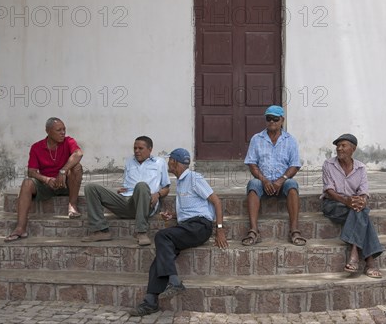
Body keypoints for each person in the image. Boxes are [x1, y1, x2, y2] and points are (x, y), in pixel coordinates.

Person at [129, 148, 228, 317]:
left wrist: (219, 230)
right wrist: (173, 215)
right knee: (160, 258)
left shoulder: (194, 178)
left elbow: (216, 202)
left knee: (161, 235)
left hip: (200, 226)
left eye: (169, 161)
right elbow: (191, 209)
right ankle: (150, 301)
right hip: (188, 226)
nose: (168, 163)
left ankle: (174, 281)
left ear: (174, 162)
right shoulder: (181, 182)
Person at [4, 117, 84, 242]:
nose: (63, 132)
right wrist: (46, 179)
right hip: (47, 185)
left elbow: (78, 154)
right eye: (59, 130)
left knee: (77, 168)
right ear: (48, 131)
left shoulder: (68, 141)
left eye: (64, 129)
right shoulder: (37, 147)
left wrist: (63, 171)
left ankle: (72, 205)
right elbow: (31, 171)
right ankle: (20, 228)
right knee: (26, 183)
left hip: (66, 184)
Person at [81, 136, 170, 246]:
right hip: (126, 201)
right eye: (135, 148)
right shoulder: (129, 162)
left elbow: (166, 187)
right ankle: (100, 231)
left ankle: (141, 232)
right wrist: (120, 190)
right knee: (90, 187)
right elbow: (127, 184)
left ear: (150, 149)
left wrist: (158, 194)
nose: (137, 151)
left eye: (140, 148)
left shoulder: (159, 162)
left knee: (141, 186)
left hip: (146, 202)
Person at [321, 134, 384, 278]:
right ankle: (369, 262)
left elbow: (363, 191)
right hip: (333, 204)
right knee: (362, 213)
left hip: (352, 205)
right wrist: (346, 201)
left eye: (343, 145)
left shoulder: (360, 167)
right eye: (338, 146)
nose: (339, 149)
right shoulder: (328, 164)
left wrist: (361, 202)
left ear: (353, 149)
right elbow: (329, 191)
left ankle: (355, 252)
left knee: (360, 210)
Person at [242, 105, 305, 246]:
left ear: (282, 120)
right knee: (253, 184)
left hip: (282, 182)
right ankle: (253, 230)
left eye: (275, 119)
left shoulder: (290, 140)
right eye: (268, 118)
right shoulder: (256, 139)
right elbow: (252, 164)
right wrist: (264, 180)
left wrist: (281, 180)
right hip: (263, 181)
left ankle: (294, 230)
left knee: (293, 185)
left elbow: (294, 165)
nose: (271, 122)